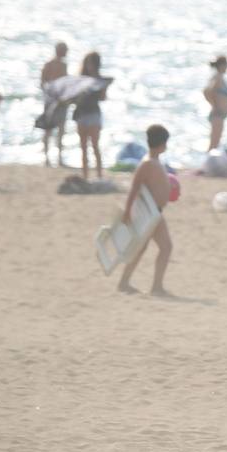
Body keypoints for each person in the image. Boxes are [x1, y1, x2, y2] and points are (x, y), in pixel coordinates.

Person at [118, 124, 174, 296]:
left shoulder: (155, 161)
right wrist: (127, 212)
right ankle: (154, 286)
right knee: (164, 247)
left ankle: (126, 282)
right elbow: (134, 188)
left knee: (147, 247)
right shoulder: (147, 163)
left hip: (156, 212)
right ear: (161, 143)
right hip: (150, 213)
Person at [74, 51, 107, 180]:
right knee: (83, 147)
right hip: (81, 113)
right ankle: (85, 176)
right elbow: (73, 96)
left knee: (95, 146)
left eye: (92, 63)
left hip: (93, 113)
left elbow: (103, 98)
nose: (89, 66)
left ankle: (99, 175)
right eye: (88, 63)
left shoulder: (100, 80)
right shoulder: (80, 80)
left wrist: (102, 88)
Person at [41, 41, 69, 166]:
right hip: (53, 100)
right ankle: (48, 158)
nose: (66, 53)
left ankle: (57, 158)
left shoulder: (62, 65)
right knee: (50, 129)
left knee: (59, 129)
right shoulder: (50, 64)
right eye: (64, 50)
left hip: (59, 101)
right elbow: (43, 82)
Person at [204, 55, 227, 152]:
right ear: (221, 65)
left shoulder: (219, 77)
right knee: (214, 144)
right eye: (226, 64)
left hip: (220, 115)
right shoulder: (218, 77)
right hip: (217, 114)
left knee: (216, 142)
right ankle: (208, 165)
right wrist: (215, 105)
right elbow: (207, 91)